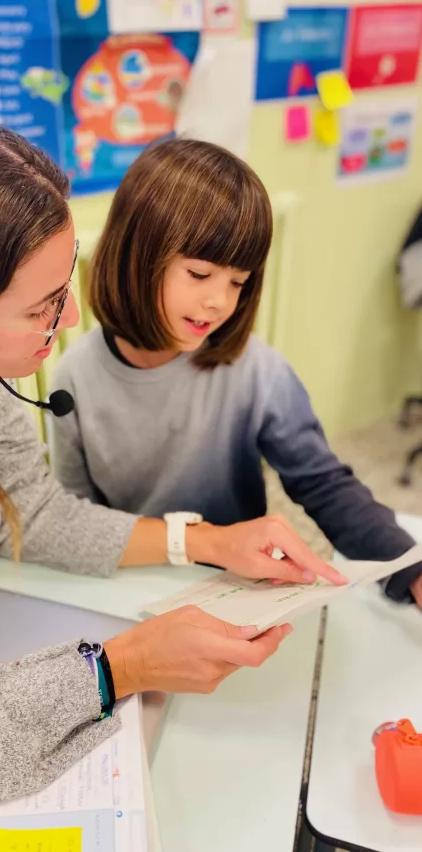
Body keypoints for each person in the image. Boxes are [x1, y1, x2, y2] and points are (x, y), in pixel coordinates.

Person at [0, 109, 345, 821]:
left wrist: (204, 542)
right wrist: (116, 668)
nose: (72, 318)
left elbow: (31, 510)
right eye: (45, 306)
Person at [51, 138, 422, 606]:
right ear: (135, 256)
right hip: (132, 588)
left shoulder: (257, 370)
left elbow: (322, 482)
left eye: (239, 283)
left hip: (238, 587)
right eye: (200, 275)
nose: (220, 302)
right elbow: (75, 516)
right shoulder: (74, 377)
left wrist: (409, 567)